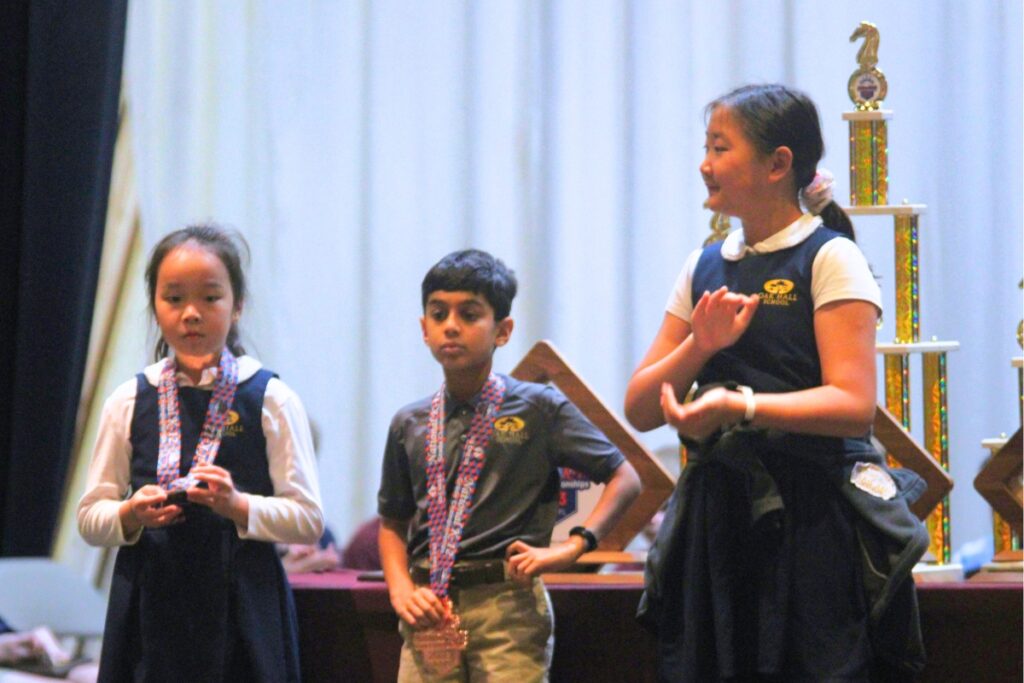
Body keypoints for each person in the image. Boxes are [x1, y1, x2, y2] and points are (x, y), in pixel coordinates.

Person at [624, 84, 929, 681]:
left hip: (814, 517)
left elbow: (852, 405)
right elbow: (639, 407)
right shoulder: (704, 265)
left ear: (778, 163)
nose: (704, 163)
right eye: (706, 146)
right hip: (718, 521)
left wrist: (737, 405)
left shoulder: (829, 256)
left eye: (720, 147)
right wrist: (701, 345)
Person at [378, 249, 641, 681]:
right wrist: (401, 589)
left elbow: (624, 476)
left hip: (506, 604)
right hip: (429, 605)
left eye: (469, 314)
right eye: (438, 313)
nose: (451, 325)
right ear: (423, 329)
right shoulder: (410, 421)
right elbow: (392, 521)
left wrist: (572, 548)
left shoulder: (538, 407)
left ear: (502, 331)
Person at [77, 225, 324, 682]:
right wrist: (130, 513)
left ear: (237, 306)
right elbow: (90, 516)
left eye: (210, 298)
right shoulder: (130, 398)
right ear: (155, 306)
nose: (191, 313)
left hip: (243, 604)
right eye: (174, 298)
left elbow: (308, 518)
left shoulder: (270, 397)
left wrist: (238, 505)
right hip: (151, 604)